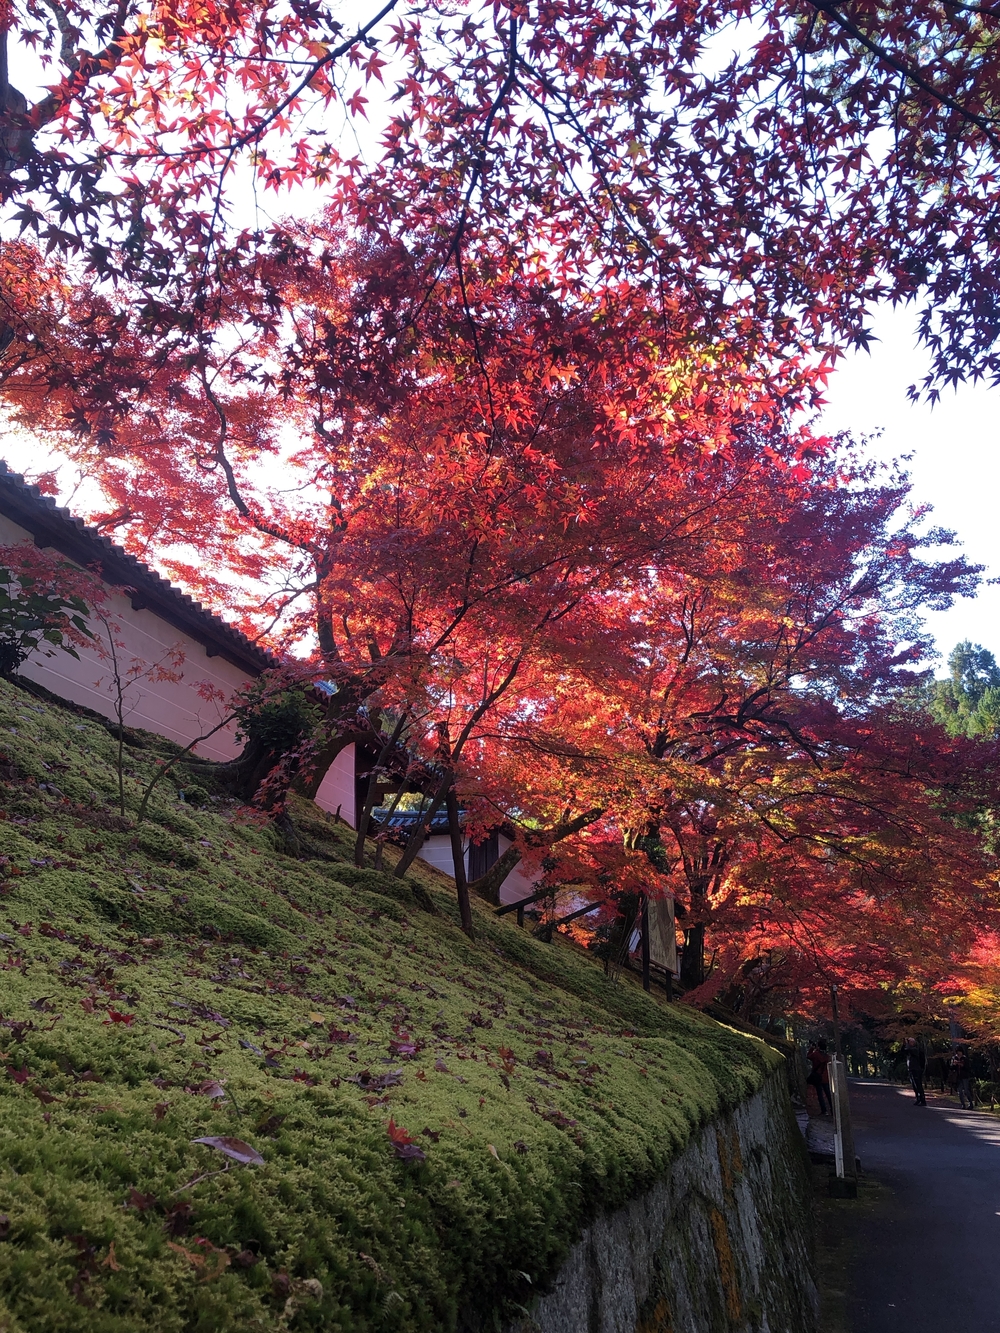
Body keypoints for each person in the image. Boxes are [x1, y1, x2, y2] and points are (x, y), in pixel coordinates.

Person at [806, 1038, 832, 1115]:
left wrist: (812, 1049)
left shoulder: (816, 1054)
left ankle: (824, 1110)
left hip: (818, 1077)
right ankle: (833, 1110)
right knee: (828, 1094)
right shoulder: (827, 1056)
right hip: (825, 1077)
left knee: (820, 1094)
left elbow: (808, 1056)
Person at [904, 1036, 927, 1105]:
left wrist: (907, 1045)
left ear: (913, 1042)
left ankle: (922, 1099)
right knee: (914, 1085)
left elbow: (909, 1050)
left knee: (918, 1085)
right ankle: (918, 1098)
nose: (908, 1043)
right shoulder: (910, 1049)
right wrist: (904, 1044)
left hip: (916, 1069)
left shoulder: (916, 1049)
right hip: (911, 1069)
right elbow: (904, 1051)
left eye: (909, 1042)